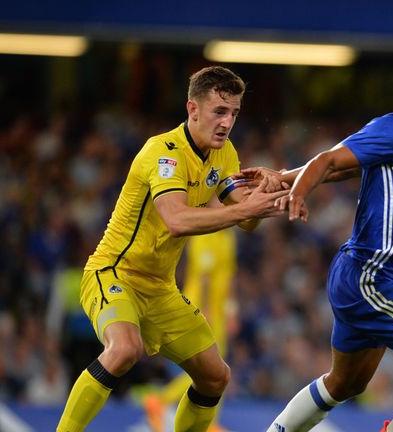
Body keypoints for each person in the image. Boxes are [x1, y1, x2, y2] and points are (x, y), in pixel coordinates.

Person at [242, 50, 393, 432]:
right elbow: (326, 160)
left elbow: (343, 167)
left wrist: (285, 177)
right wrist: (299, 193)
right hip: (372, 278)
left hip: (369, 276)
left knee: (346, 383)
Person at [56, 66, 289, 432]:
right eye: (219, 111)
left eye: (234, 113)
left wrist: (267, 195)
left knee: (215, 377)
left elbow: (245, 218)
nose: (227, 122)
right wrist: (247, 208)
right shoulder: (162, 152)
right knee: (124, 349)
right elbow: (177, 220)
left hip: (160, 288)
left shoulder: (224, 153)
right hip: (114, 273)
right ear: (192, 109)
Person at [144, 228, 239, 432]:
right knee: (210, 369)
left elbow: (229, 275)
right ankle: (161, 400)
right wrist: (204, 308)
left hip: (219, 310)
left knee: (219, 368)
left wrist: (231, 311)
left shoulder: (229, 236)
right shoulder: (205, 233)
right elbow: (204, 276)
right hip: (201, 307)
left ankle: (210, 421)